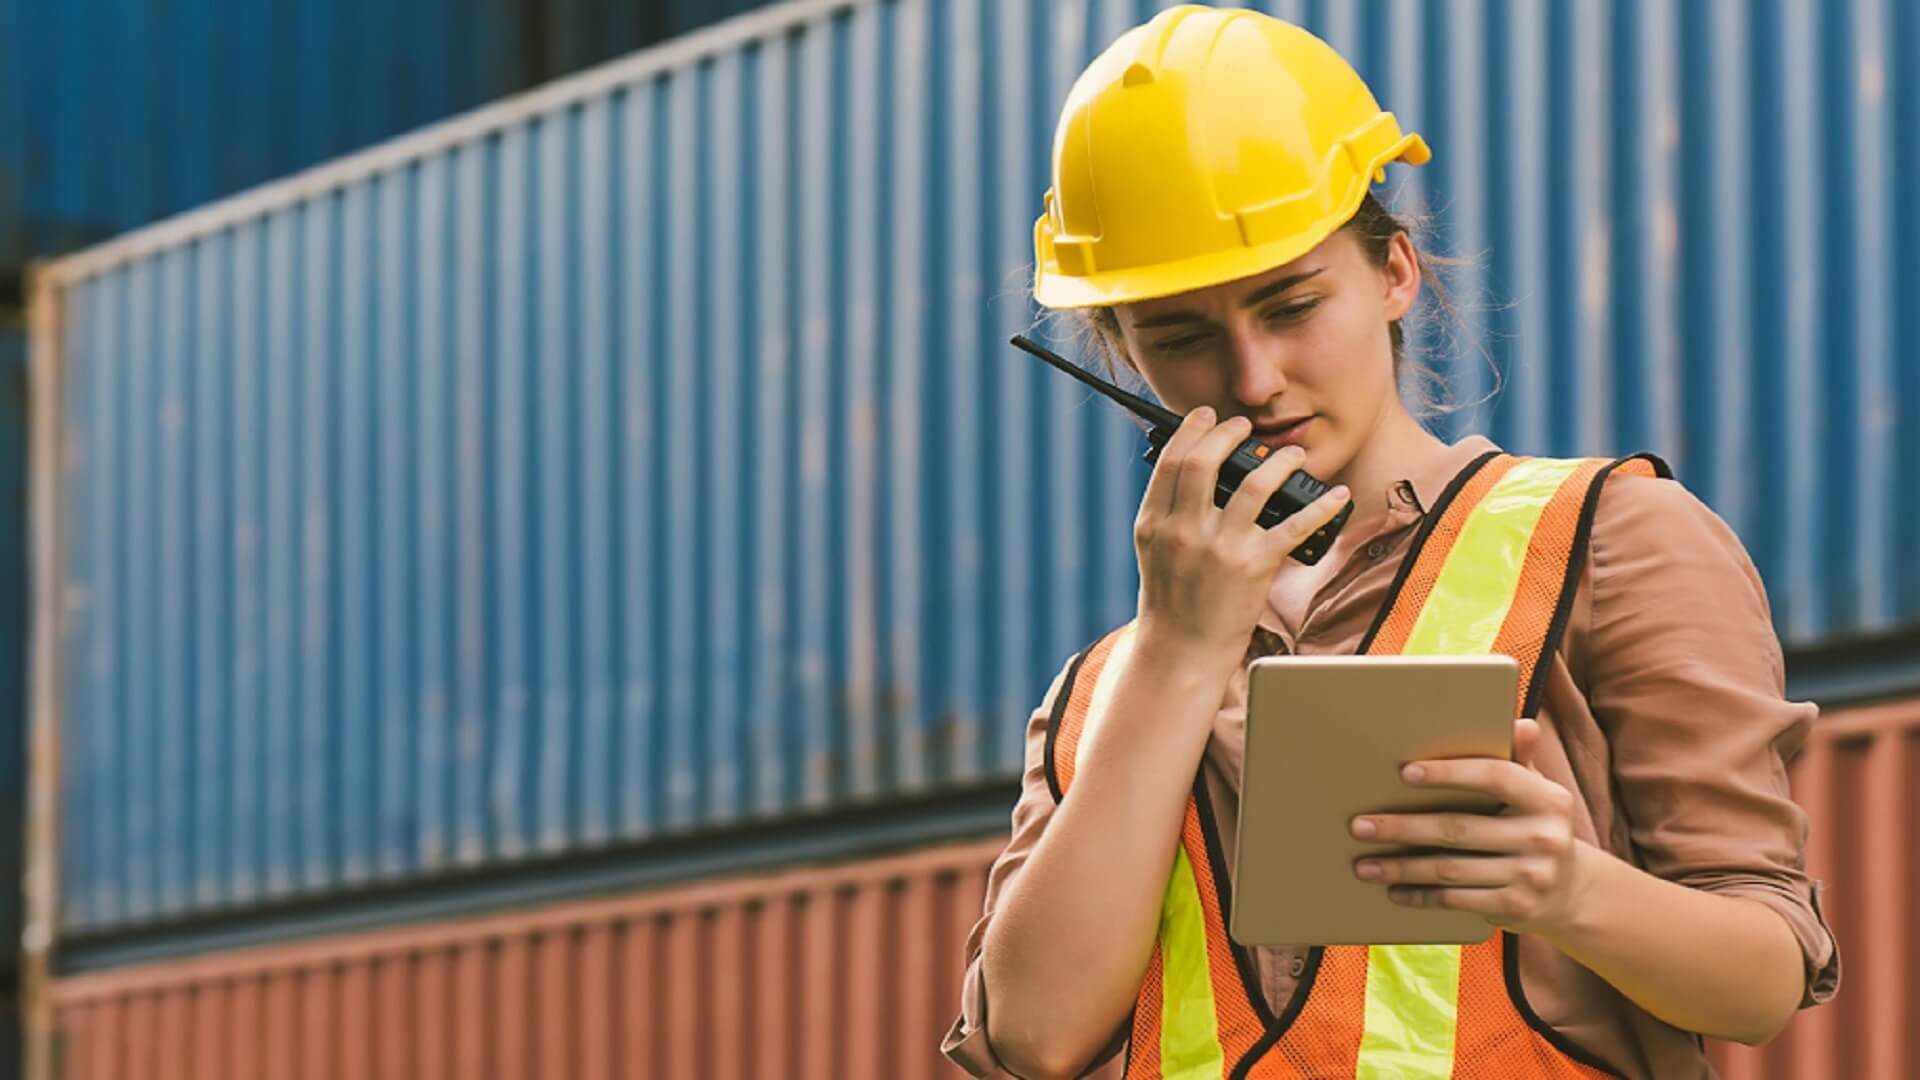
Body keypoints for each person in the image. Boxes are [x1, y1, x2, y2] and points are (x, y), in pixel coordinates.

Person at [940, 7, 1838, 1079]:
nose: (1253, 376)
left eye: (1293, 304)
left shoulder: (1613, 541)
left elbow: (1764, 982)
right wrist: (1177, 652)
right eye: (1179, 336)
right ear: (1120, 352)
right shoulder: (1102, 691)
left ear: (1395, 272)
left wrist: (1570, 888)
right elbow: (1029, 1043)